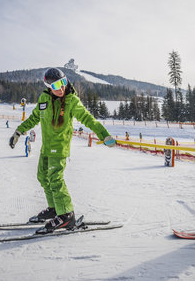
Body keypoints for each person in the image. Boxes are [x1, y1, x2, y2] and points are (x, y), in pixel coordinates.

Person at [9, 68, 116, 233]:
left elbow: (88, 119)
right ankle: (54, 208)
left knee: (55, 179)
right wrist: (18, 131)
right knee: (43, 177)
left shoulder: (72, 100)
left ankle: (66, 214)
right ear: (48, 86)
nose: (61, 88)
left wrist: (104, 135)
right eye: (56, 85)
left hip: (59, 148)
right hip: (46, 148)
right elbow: (34, 117)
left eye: (63, 83)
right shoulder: (44, 99)